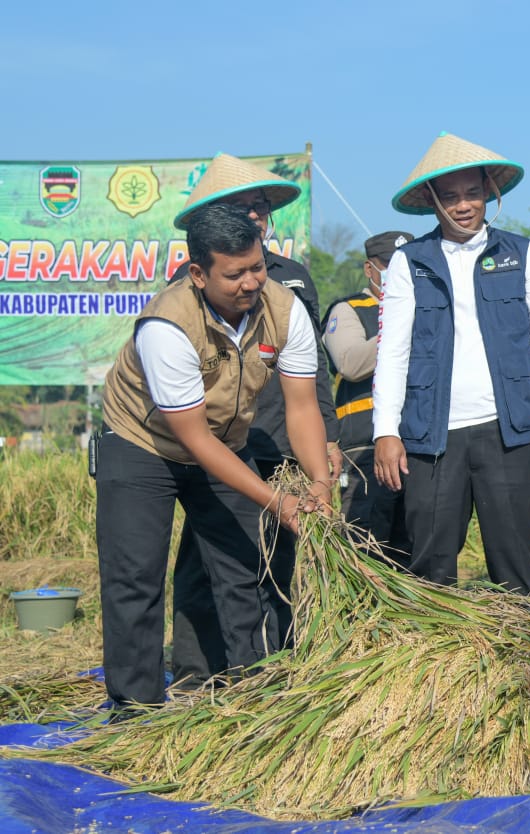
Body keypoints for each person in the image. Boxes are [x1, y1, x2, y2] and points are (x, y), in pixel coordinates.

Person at [96, 204, 331, 708]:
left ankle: (252, 691)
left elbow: (302, 405)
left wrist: (320, 482)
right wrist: (276, 500)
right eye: (235, 274)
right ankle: (135, 710)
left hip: (224, 442)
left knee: (245, 563)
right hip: (142, 447)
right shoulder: (167, 326)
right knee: (135, 577)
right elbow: (193, 440)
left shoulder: (285, 310)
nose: (251, 283)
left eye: (258, 267)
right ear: (199, 274)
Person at [373, 132, 530, 597]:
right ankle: (434, 664)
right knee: (430, 564)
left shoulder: (521, 254)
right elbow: (393, 352)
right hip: (431, 435)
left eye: (472, 193)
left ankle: (526, 658)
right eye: (450, 197)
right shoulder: (410, 263)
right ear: (431, 201)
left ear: (490, 193)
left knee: (516, 563)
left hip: (507, 430)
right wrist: (385, 430)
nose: (463, 205)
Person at [167, 154, 341, 687]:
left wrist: (327, 440)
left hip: (281, 440)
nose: (254, 215)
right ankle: (197, 673)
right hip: (219, 443)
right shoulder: (189, 283)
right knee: (209, 558)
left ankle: (269, 664)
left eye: (260, 206)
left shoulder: (294, 281)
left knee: (273, 559)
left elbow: (311, 377)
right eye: (240, 207)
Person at [322, 230, 415, 561]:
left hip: (419, 443)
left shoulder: (429, 308)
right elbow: (349, 363)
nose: (398, 271)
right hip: (365, 445)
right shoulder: (348, 309)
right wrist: (401, 325)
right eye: (390, 264)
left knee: (414, 540)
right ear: (369, 268)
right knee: (367, 541)